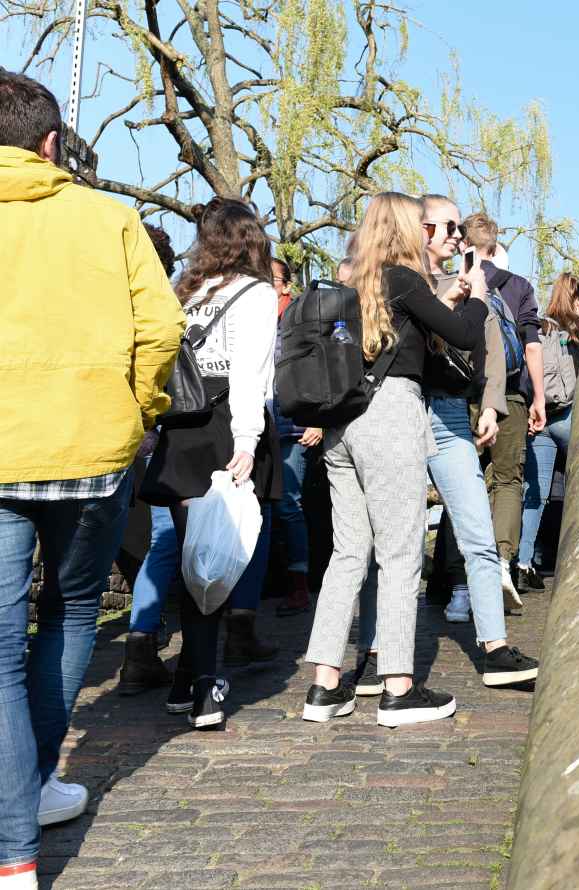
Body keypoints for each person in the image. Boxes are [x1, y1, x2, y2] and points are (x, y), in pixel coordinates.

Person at [0, 72, 184, 878]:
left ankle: (15, 848)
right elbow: (162, 327)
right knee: (73, 611)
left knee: (1, 649)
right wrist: (137, 411)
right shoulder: (111, 218)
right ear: (50, 143)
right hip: (91, 451)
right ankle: (34, 790)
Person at [301, 192, 478, 728]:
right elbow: (466, 336)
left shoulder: (350, 283)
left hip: (341, 425)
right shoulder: (403, 280)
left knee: (348, 554)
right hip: (389, 419)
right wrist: (469, 294)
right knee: (401, 554)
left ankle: (324, 687)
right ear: (405, 229)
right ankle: (399, 688)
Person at [137, 196, 282, 731]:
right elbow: (250, 371)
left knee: (191, 556)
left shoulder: (188, 292)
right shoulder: (258, 293)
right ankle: (204, 689)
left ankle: (183, 682)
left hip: (182, 429)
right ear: (251, 237)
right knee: (215, 561)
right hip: (225, 427)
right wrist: (247, 439)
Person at [402, 197, 535, 688]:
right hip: (405, 410)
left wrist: (493, 405)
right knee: (392, 539)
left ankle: (495, 648)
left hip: (453, 412)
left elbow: (492, 346)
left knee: (478, 531)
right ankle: (377, 654)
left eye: (459, 228)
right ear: (422, 228)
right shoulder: (404, 281)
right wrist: (456, 299)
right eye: (450, 226)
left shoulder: (480, 287)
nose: (458, 236)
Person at [464, 215, 546, 593]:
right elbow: (531, 344)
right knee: (509, 480)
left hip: (461, 394)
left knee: (462, 480)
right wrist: (539, 397)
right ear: (496, 248)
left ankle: (459, 582)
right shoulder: (518, 286)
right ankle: (501, 560)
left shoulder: (453, 282)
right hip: (510, 393)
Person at [117, 225, 183, 695]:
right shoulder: (161, 304)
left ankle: (141, 639)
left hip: (111, 435)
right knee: (170, 536)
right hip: (156, 432)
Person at [517, 274, 579, 586]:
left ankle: (522, 563)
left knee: (534, 494)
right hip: (570, 417)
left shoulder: (541, 328)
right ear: (575, 300)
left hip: (541, 417)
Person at [270, 256, 322, 619]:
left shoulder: (302, 320)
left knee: (289, 505)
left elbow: (320, 369)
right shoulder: (252, 318)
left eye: (270, 278)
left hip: (293, 427)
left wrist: (319, 421)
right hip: (258, 429)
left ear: (286, 285)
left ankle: (298, 583)